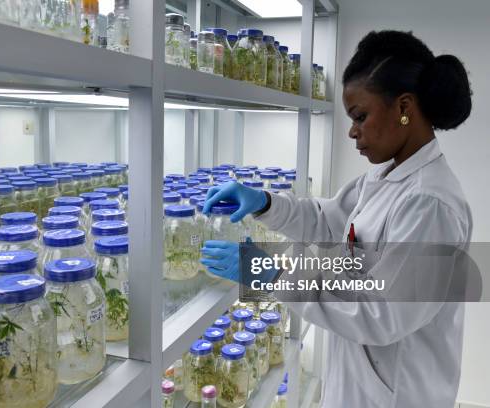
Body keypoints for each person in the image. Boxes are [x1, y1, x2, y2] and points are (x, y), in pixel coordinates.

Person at [200, 30, 473, 408]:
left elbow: (380, 313)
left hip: (397, 395)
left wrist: (271, 275)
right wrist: (263, 202)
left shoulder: (430, 204)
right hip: (361, 382)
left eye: (360, 116)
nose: (352, 131)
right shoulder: (387, 175)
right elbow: (329, 220)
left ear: (404, 107)